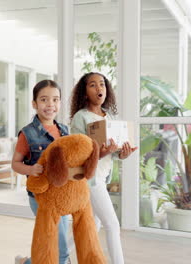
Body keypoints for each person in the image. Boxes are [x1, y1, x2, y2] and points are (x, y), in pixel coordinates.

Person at [69, 72, 137, 264]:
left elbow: (115, 153)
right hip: (90, 179)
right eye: (93, 85)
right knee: (113, 225)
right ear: (84, 92)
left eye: (102, 84)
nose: (99, 88)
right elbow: (78, 155)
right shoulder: (80, 117)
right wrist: (103, 152)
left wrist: (123, 153)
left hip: (103, 176)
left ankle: (43, 258)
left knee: (91, 227)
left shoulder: (111, 116)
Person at [12, 80, 71, 264]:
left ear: (60, 103)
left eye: (55, 99)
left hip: (61, 195)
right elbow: (15, 164)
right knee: (60, 245)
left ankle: (26, 263)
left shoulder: (64, 130)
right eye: (44, 99)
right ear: (34, 104)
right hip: (40, 198)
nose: (50, 104)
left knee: (51, 242)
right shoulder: (27, 134)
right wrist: (31, 169)